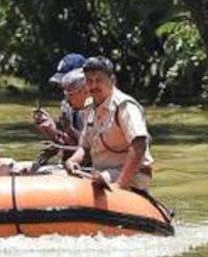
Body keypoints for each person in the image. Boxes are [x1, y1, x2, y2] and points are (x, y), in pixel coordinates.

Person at [64, 56, 154, 191]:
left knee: (97, 183)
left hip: (133, 174)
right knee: (62, 176)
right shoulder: (90, 107)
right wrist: (72, 161)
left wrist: (120, 184)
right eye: (89, 81)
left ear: (112, 81)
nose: (93, 86)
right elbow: (85, 147)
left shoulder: (125, 106)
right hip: (101, 171)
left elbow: (139, 144)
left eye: (99, 80)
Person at [34, 53, 89, 147]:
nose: (62, 87)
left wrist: (69, 130)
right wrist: (51, 130)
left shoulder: (96, 108)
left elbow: (91, 148)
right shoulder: (66, 105)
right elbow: (70, 144)